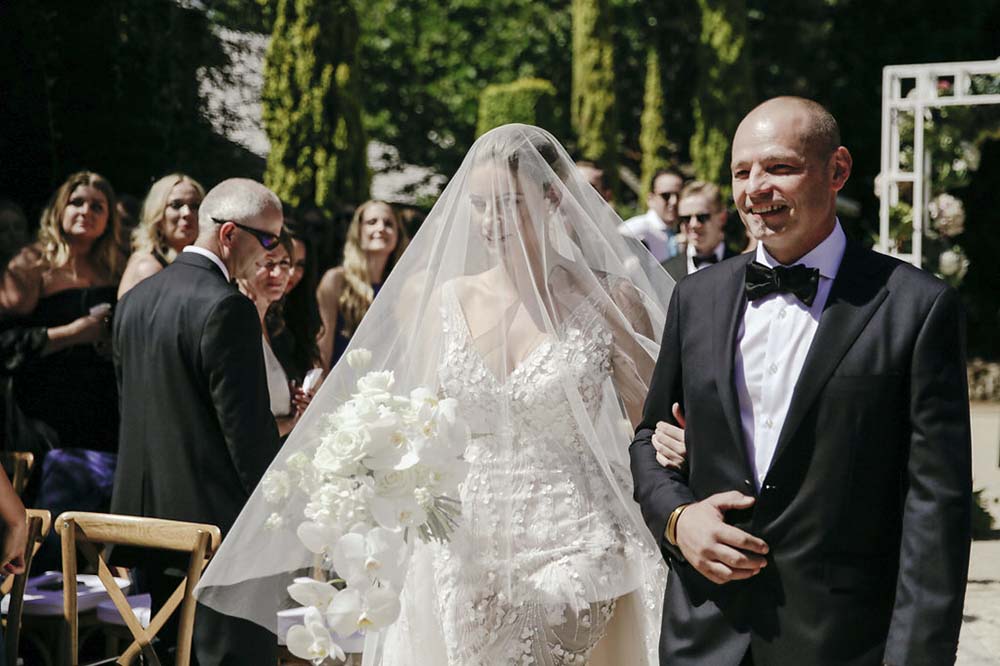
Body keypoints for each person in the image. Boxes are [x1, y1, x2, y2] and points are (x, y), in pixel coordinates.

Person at [196, 125, 676, 665]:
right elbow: (415, 418)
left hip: (578, 540)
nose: (491, 221)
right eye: (479, 205)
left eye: (508, 204)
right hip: (460, 547)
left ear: (552, 198)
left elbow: (653, 429)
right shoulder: (447, 301)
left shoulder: (609, 299)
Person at [630, 97, 972, 666]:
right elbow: (649, 439)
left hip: (841, 642)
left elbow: (935, 511)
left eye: (779, 167)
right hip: (705, 635)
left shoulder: (917, 307)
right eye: (742, 172)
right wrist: (678, 518)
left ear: (837, 169)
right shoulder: (696, 298)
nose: (755, 188)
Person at [111, 177, 284, 665]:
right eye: (268, 239)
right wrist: (278, 519)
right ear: (229, 235)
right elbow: (247, 439)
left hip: (144, 533)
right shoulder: (229, 308)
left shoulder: (135, 301)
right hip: (218, 542)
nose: (272, 254)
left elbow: (137, 418)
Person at [0, 173, 123, 571]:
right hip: (44, 413)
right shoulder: (31, 263)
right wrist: (73, 334)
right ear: (60, 209)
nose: (86, 211)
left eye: (97, 205)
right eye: (77, 202)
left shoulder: (114, 267)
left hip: (99, 409)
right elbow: (6, 344)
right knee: (48, 518)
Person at [316, 200, 409, 372]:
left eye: (388, 224)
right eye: (372, 222)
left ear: (398, 235)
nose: (381, 228)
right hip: (342, 389)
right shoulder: (336, 280)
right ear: (358, 231)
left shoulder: (404, 286)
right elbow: (324, 344)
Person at [239, 232, 313, 437]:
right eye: (268, 263)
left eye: (284, 263)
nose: (279, 273)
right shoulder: (235, 326)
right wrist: (292, 423)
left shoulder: (277, 328)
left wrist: (299, 403)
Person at [117, 173, 205, 297]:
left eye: (195, 206)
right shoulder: (149, 268)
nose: (187, 213)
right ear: (157, 214)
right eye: (176, 205)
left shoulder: (191, 261)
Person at [266, 215, 322, 388]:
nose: (291, 273)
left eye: (300, 265)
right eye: (285, 262)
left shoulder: (299, 312)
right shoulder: (253, 311)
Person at [661, 181, 738, 282]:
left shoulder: (744, 266)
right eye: (686, 219)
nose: (693, 224)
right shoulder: (665, 271)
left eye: (702, 217)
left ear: (722, 218)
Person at [618, 168, 684, 262]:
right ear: (651, 199)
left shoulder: (687, 229)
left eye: (679, 195)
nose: (673, 201)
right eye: (666, 195)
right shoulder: (633, 229)